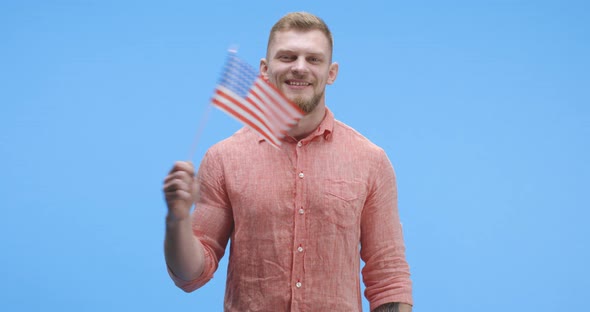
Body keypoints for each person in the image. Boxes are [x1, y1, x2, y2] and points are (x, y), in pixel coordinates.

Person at [163, 12, 413, 312]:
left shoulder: (370, 161)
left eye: (314, 59)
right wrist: (177, 219)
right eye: (287, 56)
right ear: (265, 69)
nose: (299, 67)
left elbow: (388, 276)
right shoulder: (223, 158)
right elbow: (191, 275)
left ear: (331, 72)